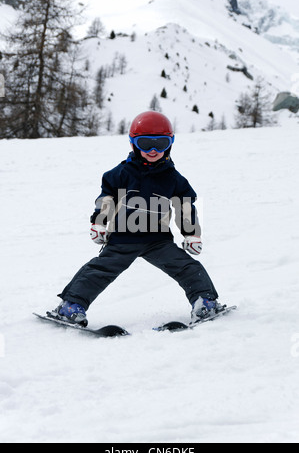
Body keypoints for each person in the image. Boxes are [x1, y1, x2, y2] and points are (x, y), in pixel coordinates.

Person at [51, 111, 225, 327]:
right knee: (100, 270)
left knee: (187, 267)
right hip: (123, 238)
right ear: (134, 144)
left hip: (158, 240)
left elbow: (185, 205)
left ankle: (204, 302)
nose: (153, 150)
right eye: (145, 143)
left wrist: (192, 235)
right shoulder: (121, 173)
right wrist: (99, 222)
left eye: (160, 144)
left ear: (170, 144)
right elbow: (106, 199)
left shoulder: (173, 177)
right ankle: (70, 306)